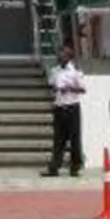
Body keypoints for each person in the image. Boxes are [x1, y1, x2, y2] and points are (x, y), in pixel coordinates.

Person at [43, 43, 86, 177]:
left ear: (69, 57)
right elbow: (50, 85)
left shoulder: (75, 71)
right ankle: (54, 167)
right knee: (58, 139)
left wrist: (68, 88)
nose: (59, 56)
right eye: (59, 54)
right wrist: (54, 89)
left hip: (72, 107)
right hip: (59, 107)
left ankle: (75, 167)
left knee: (74, 138)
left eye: (63, 54)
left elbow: (82, 89)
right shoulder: (55, 70)